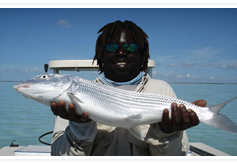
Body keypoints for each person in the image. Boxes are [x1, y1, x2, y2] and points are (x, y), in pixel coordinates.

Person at [50, 20, 207, 156]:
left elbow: (176, 156)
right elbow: (58, 155)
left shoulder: (162, 89)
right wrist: (79, 128)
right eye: (112, 47)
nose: (120, 53)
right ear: (101, 54)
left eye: (130, 47)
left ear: (142, 54)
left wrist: (166, 133)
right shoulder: (76, 93)